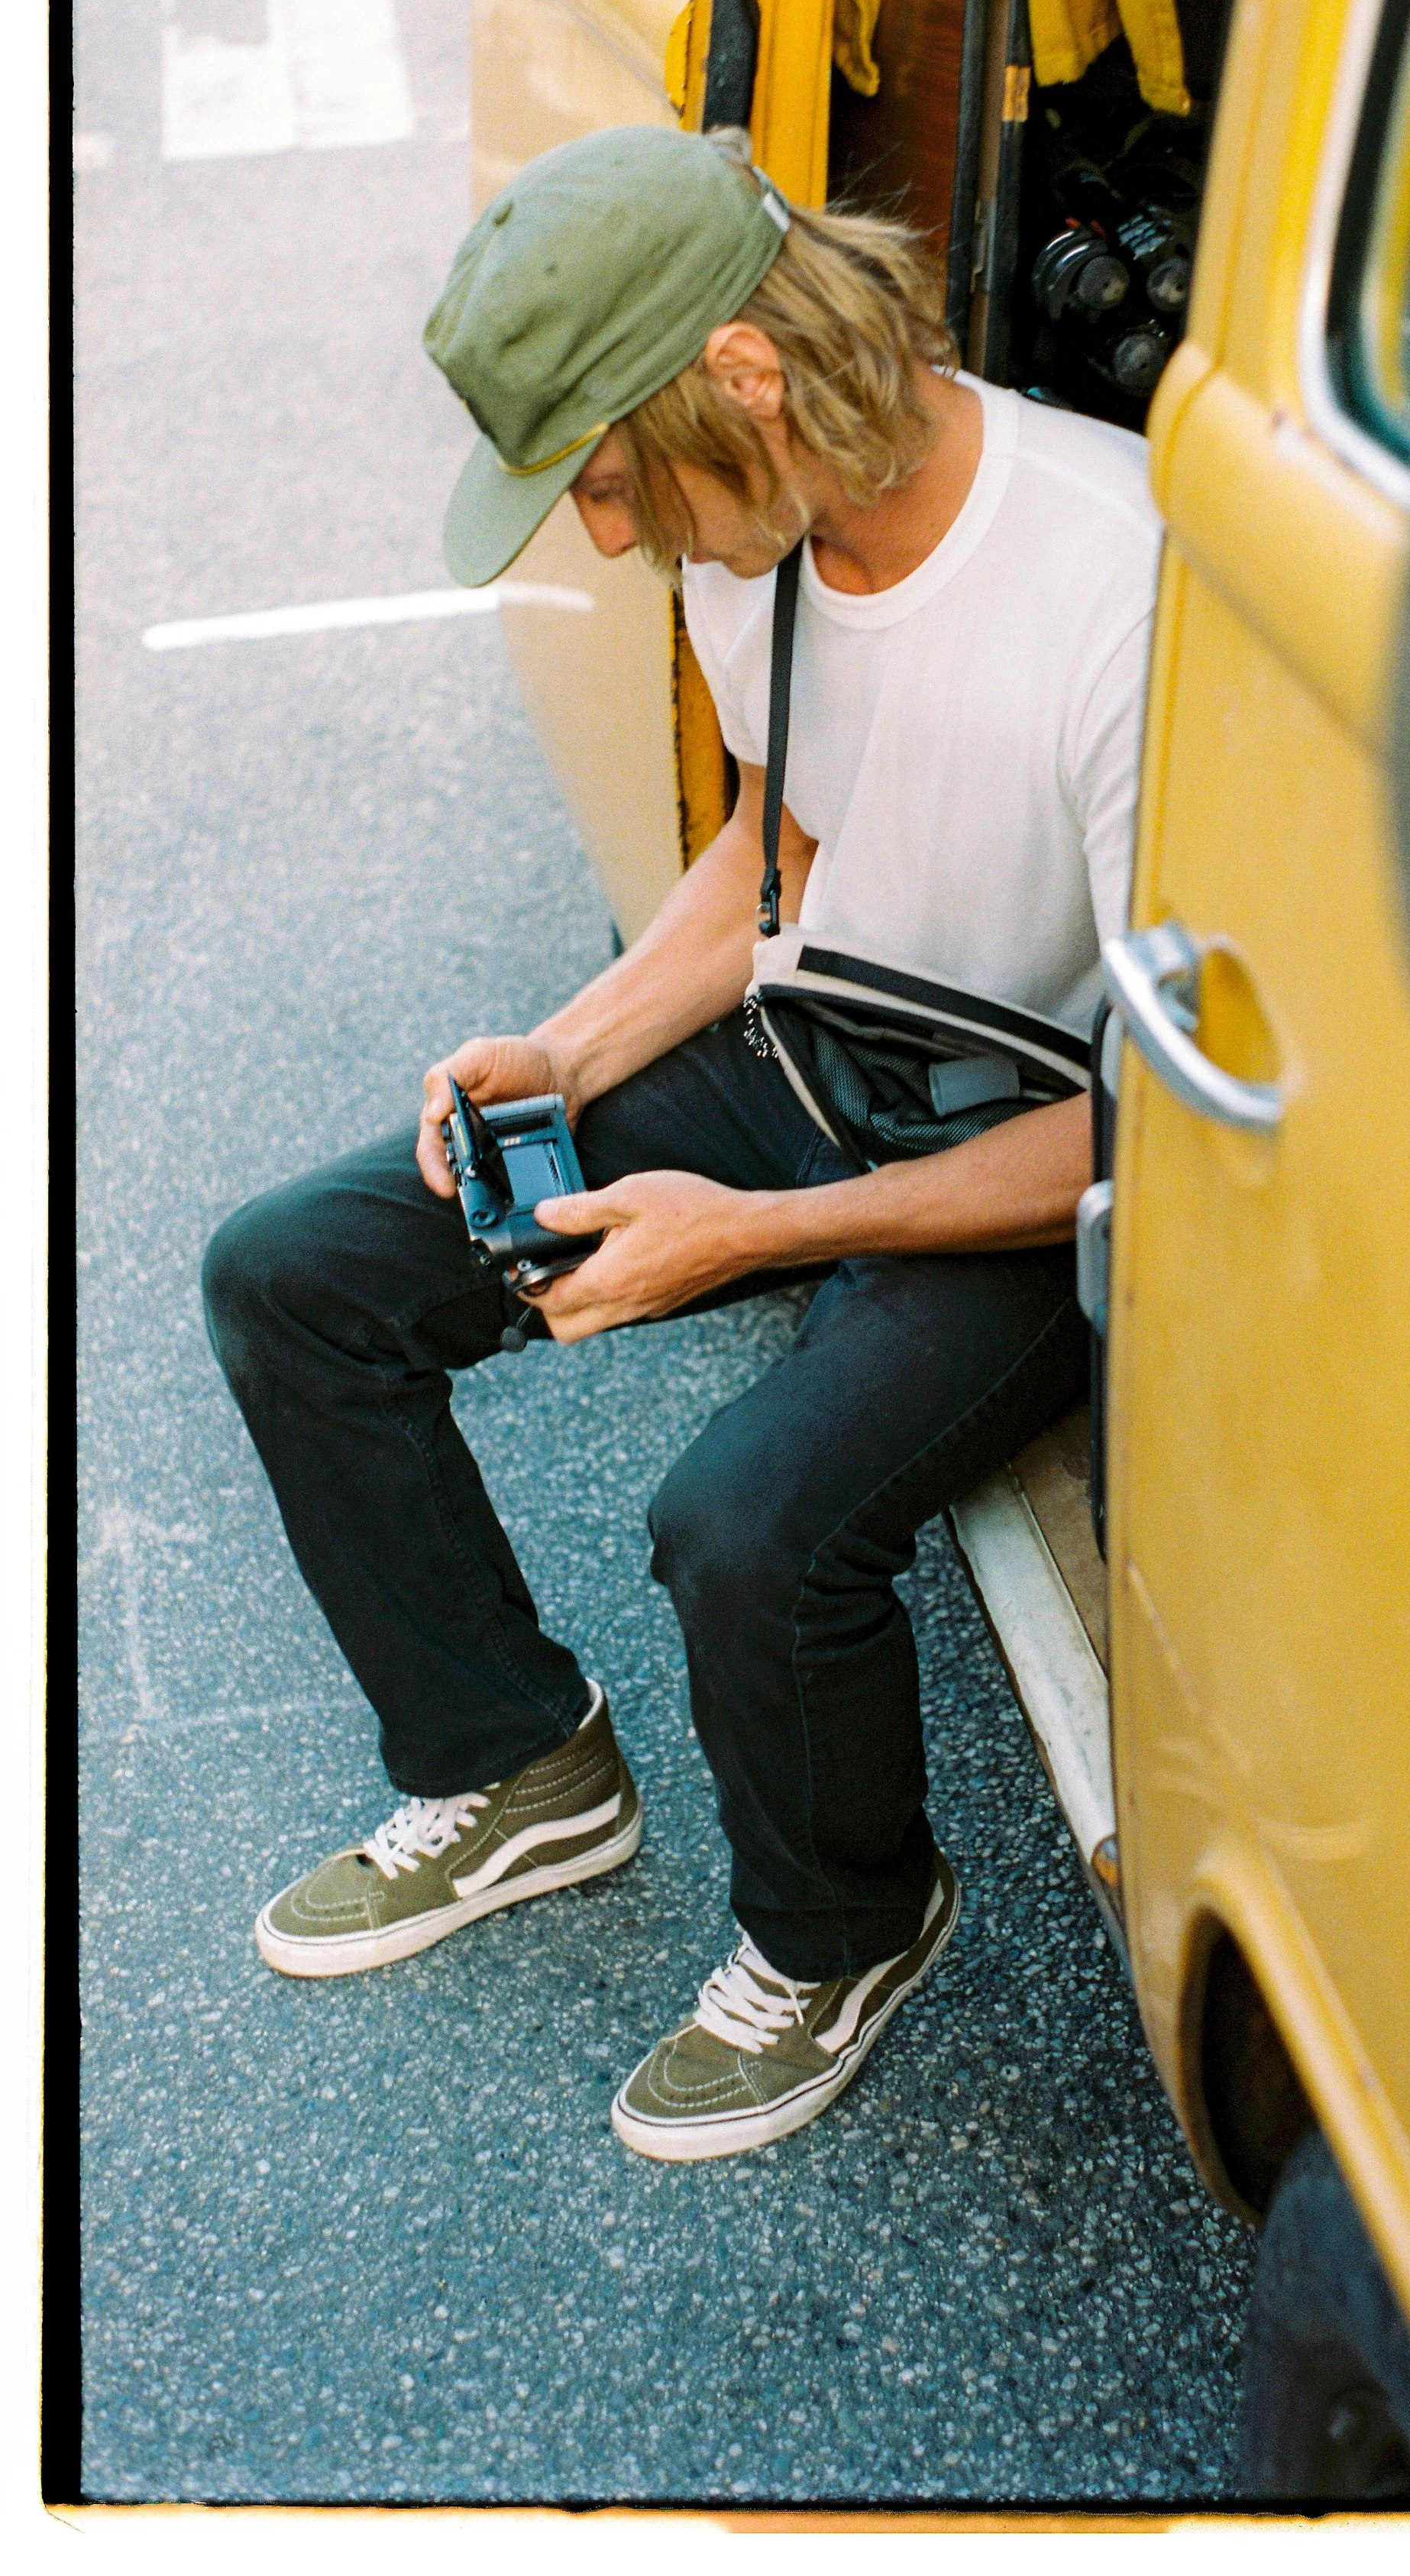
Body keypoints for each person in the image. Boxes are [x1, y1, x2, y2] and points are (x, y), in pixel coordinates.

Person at [202, 124, 1159, 2163]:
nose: (610, 533)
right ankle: (515, 1760)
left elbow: (1150, 1129)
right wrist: (565, 1047)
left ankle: (842, 1926)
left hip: (1041, 1161)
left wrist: (749, 1233)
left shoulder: (1118, 585)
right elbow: (779, 845)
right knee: (294, 1278)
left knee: (746, 1520)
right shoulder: (761, 538)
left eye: (611, 475)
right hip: (819, 1049)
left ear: (745, 372)